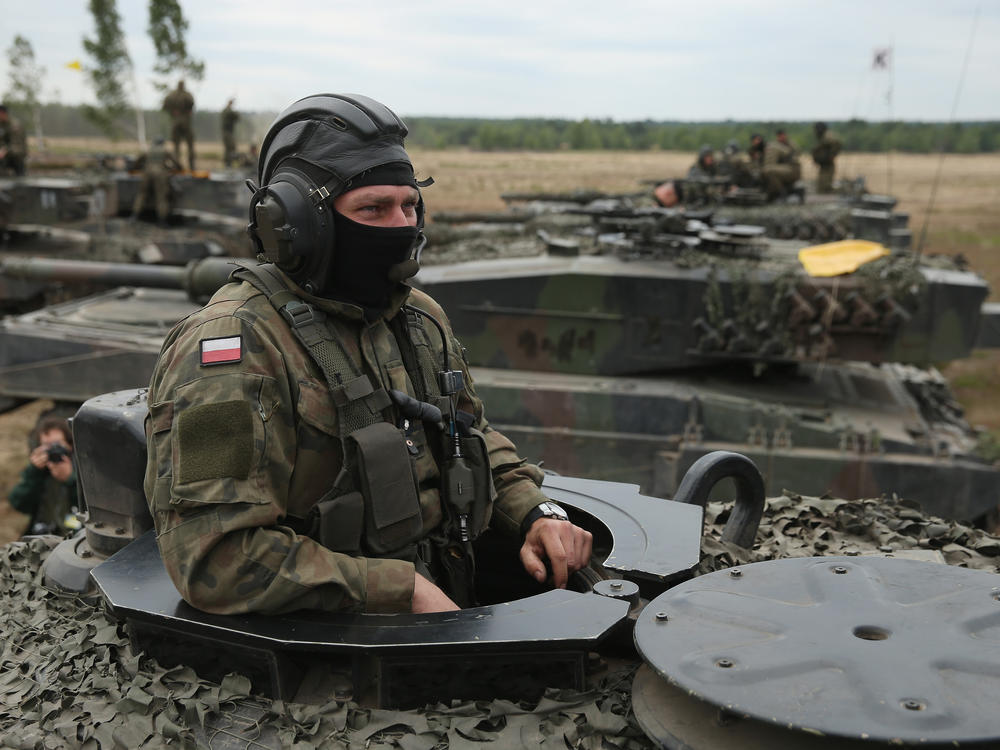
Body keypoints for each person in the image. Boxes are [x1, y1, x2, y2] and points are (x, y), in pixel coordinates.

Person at [143, 93, 593, 617]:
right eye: (373, 209)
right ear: (295, 224)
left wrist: (537, 513)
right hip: (336, 657)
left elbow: (469, 436)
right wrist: (399, 590)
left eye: (409, 205)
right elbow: (215, 559)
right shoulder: (233, 351)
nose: (403, 226)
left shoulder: (418, 318)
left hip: (446, 617)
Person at [8, 416, 78, 536]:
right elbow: (18, 503)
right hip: (44, 534)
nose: (52, 450)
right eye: (47, 445)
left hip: (74, 534)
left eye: (57, 444)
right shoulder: (40, 473)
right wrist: (34, 472)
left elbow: (91, 506)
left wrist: (70, 479)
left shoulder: (81, 468)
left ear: (70, 445)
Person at [132, 136, 182, 224]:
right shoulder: (165, 151)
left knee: (142, 194)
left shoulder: (148, 150)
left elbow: (138, 161)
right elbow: (176, 162)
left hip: (147, 173)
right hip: (160, 174)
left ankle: (135, 216)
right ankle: (162, 220)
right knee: (161, 196)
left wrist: (133, 169)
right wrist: (179, 169)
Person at [162, 80, 196, 171]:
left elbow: (164, 106)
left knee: (176, 146)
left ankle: (177, 167)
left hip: (175, 122)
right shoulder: (187, 95)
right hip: (186, 122)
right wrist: (187, 112)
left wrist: (172, 112)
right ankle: (192, 167)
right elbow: (192, 104)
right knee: (190, 145)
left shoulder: (171, 95)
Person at [762, 128, 801, 200]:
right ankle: (775, 192)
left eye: (782, 136)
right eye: (779, 136)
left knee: (769, 171)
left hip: (793, 169)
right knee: (768, 172)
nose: (781, 138)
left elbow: (794, 156)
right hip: (785, 168)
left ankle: (782, 193)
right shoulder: (777, 145)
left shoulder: (791, 145)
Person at [811, 122, 842, 193]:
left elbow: (836, 143)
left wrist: (831, 155)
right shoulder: (823, 137)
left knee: (825, 187)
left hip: (828, 165)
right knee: (821, 186)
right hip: (824, 164)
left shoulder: (827, 136)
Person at [0, 104, 28, 176]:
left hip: (17, 153)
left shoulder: (15, 126)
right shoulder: (2, 125)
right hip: (5, 153)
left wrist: (5, 150)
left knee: (19, 177)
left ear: (3, 113)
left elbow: (16, 144)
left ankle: (20, 177)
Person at [221, 98, 239, 168]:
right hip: (227, 132)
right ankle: (228, 163)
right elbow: (236, 116)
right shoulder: (227, 111)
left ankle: (228, 163)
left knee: (229, 148)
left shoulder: (226, 111)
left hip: (228, 132)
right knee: (230, 147)